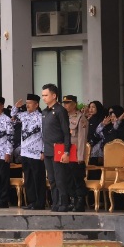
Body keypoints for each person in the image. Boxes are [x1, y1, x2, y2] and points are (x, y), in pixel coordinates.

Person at [11, 94, 45, 210]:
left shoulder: (41, 117)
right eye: (26, 103)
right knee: (28, 178)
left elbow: (44, 135)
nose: (27, 105)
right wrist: (16, 107)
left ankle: (39, 203)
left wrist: (43, 151)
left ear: (37, 105)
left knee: (37, 178)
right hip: (25, 152)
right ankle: (31, 202)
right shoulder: (24, 115)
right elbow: (13, 115)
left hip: (36, 152)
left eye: (30, 103)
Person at [41, 83, 71, 212]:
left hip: (58, 148)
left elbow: (66, 132)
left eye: (46, 95)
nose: (44, 98)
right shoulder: (45, 112)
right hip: (47, 149)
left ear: (54, 95)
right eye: (42, 95)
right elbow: (44, 133)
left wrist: (66, 151)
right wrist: (42, 150)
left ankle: (63, 203)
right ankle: (55, 203)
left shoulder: (60, 110)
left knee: (60, 178)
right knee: (52, 179)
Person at [62, 95, 88, 211]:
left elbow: (82, 139)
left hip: (76, 152)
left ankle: (80, 201)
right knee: (68, 178)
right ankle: (72, 200)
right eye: (64, 103)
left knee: (77, 178)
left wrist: (81, 156)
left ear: (74, 104)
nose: (65, 105)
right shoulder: (63, 117)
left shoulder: (80, 118)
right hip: (66, 152)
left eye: (68, 103)